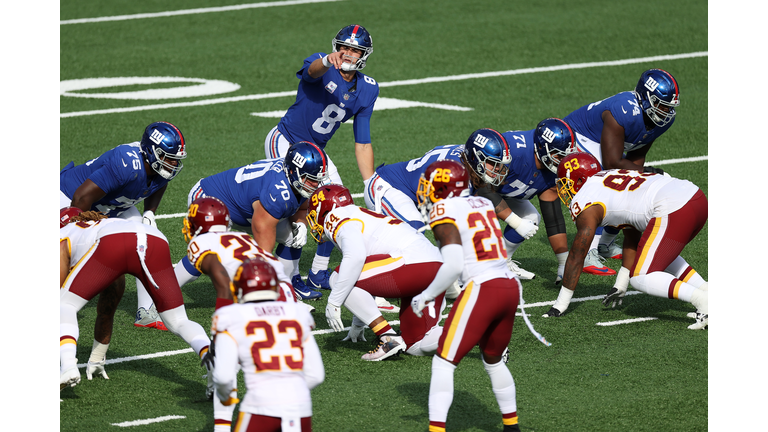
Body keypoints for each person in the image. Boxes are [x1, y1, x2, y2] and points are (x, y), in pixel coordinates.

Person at [262, 25, 379, 295]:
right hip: (286, 140)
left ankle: (318, 271)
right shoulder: (321, 63)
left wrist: (370, 182)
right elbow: (312, 71)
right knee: (296, 207)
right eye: (344, 47)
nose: (347, 53)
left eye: (354, 49)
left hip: (316, 150)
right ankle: (288, 280)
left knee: (338, 203)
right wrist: (328, 60)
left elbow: (362, 141)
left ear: (364, 54)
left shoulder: (368, 89)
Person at [411, 160, 523, 432]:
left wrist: (427, 295)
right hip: (509, 287)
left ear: (442, 187)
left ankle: (436, 429)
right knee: (493, 361)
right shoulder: (483, 203)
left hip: (483, 288)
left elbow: (453, 265)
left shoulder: (442, 209)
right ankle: (511, 426)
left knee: (443, 362)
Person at [542, 153, 708, 330]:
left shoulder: (585, 201)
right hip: (695, 197)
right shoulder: (606, 177)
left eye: (565, 183)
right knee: (655, 254)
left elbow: (577, 255)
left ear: (579, 181)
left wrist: (560, 304)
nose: (564, 189)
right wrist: (621, 283)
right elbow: (633, 236)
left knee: (640, 278)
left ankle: (703, 301)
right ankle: (708, 292)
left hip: (673, 207)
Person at [59, 209, 212, 393]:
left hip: (114, 243)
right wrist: (97, 357)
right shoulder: (106, 225)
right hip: (155, 239)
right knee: (179, 320)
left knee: (63, 305)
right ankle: (212, 359)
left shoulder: (63, 234)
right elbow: (109, 302)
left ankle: (67, 366)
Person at [60, 121, 188, 330]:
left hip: (107, 204)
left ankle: (146, 312)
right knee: (66, 248)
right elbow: (80, 197)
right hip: (68, 198)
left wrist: (149, 212)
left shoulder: (158, 166)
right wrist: (80, 230)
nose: (172, 165)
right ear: (152, 152)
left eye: (175, 160)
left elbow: (158, 183)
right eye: (168, 159)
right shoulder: (126, 164)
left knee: (146, 238)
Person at [306, 184, 448, 361]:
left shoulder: (335, 217)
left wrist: (334, 302)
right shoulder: (358, 216)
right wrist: (359, 323)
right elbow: (369, 275)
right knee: (415, 343)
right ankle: (475, 329)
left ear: (324, 208)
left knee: (339, 277)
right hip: (436, 266)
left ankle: (388, 337)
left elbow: (356, 259)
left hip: (412, 263)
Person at [173, 141, 329, 302]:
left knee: (293, 236)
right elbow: (262, 247)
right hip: (211, 199)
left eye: (317, 179)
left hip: (248, 209)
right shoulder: (277, 190)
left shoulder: (296, 178)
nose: (316, 185)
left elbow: (302, 207)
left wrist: (301, 224)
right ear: (294, 171)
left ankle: (288, 286)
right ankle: (163, 293)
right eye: (311, 180)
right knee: (208, 250)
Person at [563, 69, 681, 274]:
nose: (665, 112)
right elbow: (611, 163)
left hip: (606, 145)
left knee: (630, 187)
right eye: (661, 105)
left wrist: (640, 176)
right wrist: (651, 172)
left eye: (669, 107)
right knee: (600, 184)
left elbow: (637, 154)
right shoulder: (623, 110)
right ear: (645, 98)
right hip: (581, 137)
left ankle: (605, 244)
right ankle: (589, 251)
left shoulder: (664, 120)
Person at [211, 257, 325, 432]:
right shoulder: (298, 313)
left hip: (260, 403)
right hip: (300, 406)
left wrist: (225, 397)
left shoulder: (231, 316)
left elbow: (224, 377)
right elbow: (316, 375)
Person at [476, 118, 576, 282]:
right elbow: (483, 189)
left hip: (504, 191)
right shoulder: (514, 153)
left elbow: (553, 218)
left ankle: (501, 262)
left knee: (530, 218)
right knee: (477, 224)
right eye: (559, 155)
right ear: (543, 148)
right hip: (477, 190)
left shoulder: (551, 167)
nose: (563, 161)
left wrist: (564, 263)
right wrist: (515, 221)